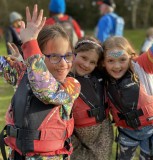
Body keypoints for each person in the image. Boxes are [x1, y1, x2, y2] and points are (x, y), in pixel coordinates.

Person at [0, 4, 80, 160]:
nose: (64, 64)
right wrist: (22, 61)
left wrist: (30, 44)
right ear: (39, 57)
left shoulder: (71, 86)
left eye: (68, 56)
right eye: (55, 57)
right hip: (17, 154)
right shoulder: (24, 73)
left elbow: (46, 91)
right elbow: (3, 67)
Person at [102, 36, 153, 160]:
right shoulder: (102, 77)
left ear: (131, 56)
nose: (117, 66)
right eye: (110, 61)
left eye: (122, 59)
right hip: (127, 133)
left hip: (152, 130)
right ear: (103, 62)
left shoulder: (143, 65)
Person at [69, 36, 113, 160]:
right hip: (76, 142)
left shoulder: (99, 77)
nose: (86, 65)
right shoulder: (63, 79)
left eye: (92, 62)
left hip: (103, 137)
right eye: (83, 58)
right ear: (74, 53)